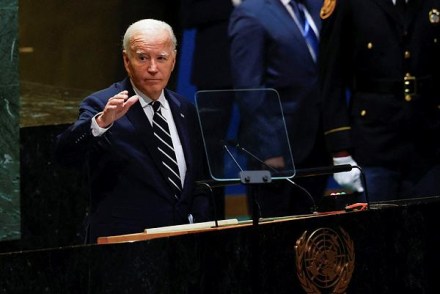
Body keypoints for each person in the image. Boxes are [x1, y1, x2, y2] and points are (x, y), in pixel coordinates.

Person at [55, 19, 211, 243]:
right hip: (126, 245)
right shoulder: (102, 105)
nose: (153, 68)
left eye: (161, 58)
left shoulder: (184, 108)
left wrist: (198, 220)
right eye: (143, 57)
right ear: (127, 61)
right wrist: (101, 123)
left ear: (174, 61)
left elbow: (198, 179)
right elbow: (64, 154)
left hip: (183, 245)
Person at [319, 0, 440, 202]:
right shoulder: (350, 4)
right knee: (375, 228)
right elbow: (331, 79)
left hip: (427, 142)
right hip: (374, 143)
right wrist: (340, 153)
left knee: (427, 229)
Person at [229, 0, 331, 217]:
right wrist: (270, 149)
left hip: (316, 144)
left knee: (309, 235)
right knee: (272, 234)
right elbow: (249, 89)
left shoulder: (313, 7)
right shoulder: (250, 12)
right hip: (275, 149)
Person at [180, 0, 240, 219]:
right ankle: (213, 219)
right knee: (210, 153)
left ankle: (264, 219)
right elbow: (189, 14)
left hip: (262, 68)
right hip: (215, 69)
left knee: (261, 147)